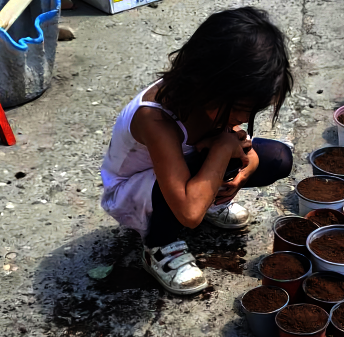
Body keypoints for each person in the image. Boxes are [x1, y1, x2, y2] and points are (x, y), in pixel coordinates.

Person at [100, 7, 293, 295]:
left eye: (251, 111)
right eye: (239, 110)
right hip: (134, 192)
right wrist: (222, 149)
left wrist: (240, 173)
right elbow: (189, 213)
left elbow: (247, 152)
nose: (241, 119)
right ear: (206, 82)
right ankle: (159, 247)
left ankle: (211, 202)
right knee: (192, 200)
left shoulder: (211, 100)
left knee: (278, 158)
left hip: (184, 173)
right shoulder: (154, 118)